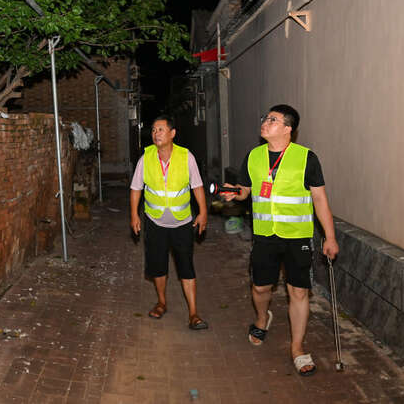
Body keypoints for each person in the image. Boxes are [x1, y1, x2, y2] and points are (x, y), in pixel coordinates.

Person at [220, 104, 339, 376]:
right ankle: (262, 319)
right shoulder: (254, 156)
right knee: (261, 287)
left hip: (297, 237)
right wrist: (233, 193)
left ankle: (297, 348)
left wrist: (330, 237)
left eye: (272, 120)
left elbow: (319, 199)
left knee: (298, 292)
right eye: (265, 118)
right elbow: (244, 191)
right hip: (265, 236)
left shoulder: (306, 158)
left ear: (288, 128)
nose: (265, 122)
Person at [130, 115, 209, 330]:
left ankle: (193, 313)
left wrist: (203, 212)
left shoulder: (186, 157)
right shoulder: (146, 158)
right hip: (154, 221)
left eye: (161, 129)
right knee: (158, 266)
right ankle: (161, 302)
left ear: (172, 133)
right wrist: (134, 215)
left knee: (186, 267)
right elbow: (136, 188)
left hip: (182, 222)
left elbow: (197, 186)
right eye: (154, 130)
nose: (156, 134)